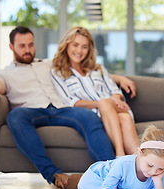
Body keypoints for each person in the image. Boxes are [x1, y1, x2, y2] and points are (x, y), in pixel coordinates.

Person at [0, 26, 136, 189]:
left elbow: (83, 69)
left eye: (31, 45)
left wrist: (120, 78)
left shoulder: (48, 64)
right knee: (15, 117)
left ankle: (112, 175)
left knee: (90, 117)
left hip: (61, 109)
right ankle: (54, 175)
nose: (27, 50)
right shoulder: (4, 73)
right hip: (31, 111)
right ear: (11, 47)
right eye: (22, 46)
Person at [51, 26, 139, 157]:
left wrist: (114, 99)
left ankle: (120, 155)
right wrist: (100, 103)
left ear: (89, 49)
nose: (79, 51)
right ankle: (141, 163)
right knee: (123, 117)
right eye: (75, 45)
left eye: (84, 47)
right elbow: (72, 102)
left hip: (116, 107)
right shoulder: (58, 73)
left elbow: (115, 90)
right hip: (97, 116)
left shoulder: (98, 69)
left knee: (114, 108)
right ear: (67, 45)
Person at [56, 125, 164, 189]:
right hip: (96, 181)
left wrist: (157, 182)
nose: (153, 172)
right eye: (150, 165)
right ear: (140, 153)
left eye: (161, 168)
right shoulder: (123, 164)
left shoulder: (157, 174)